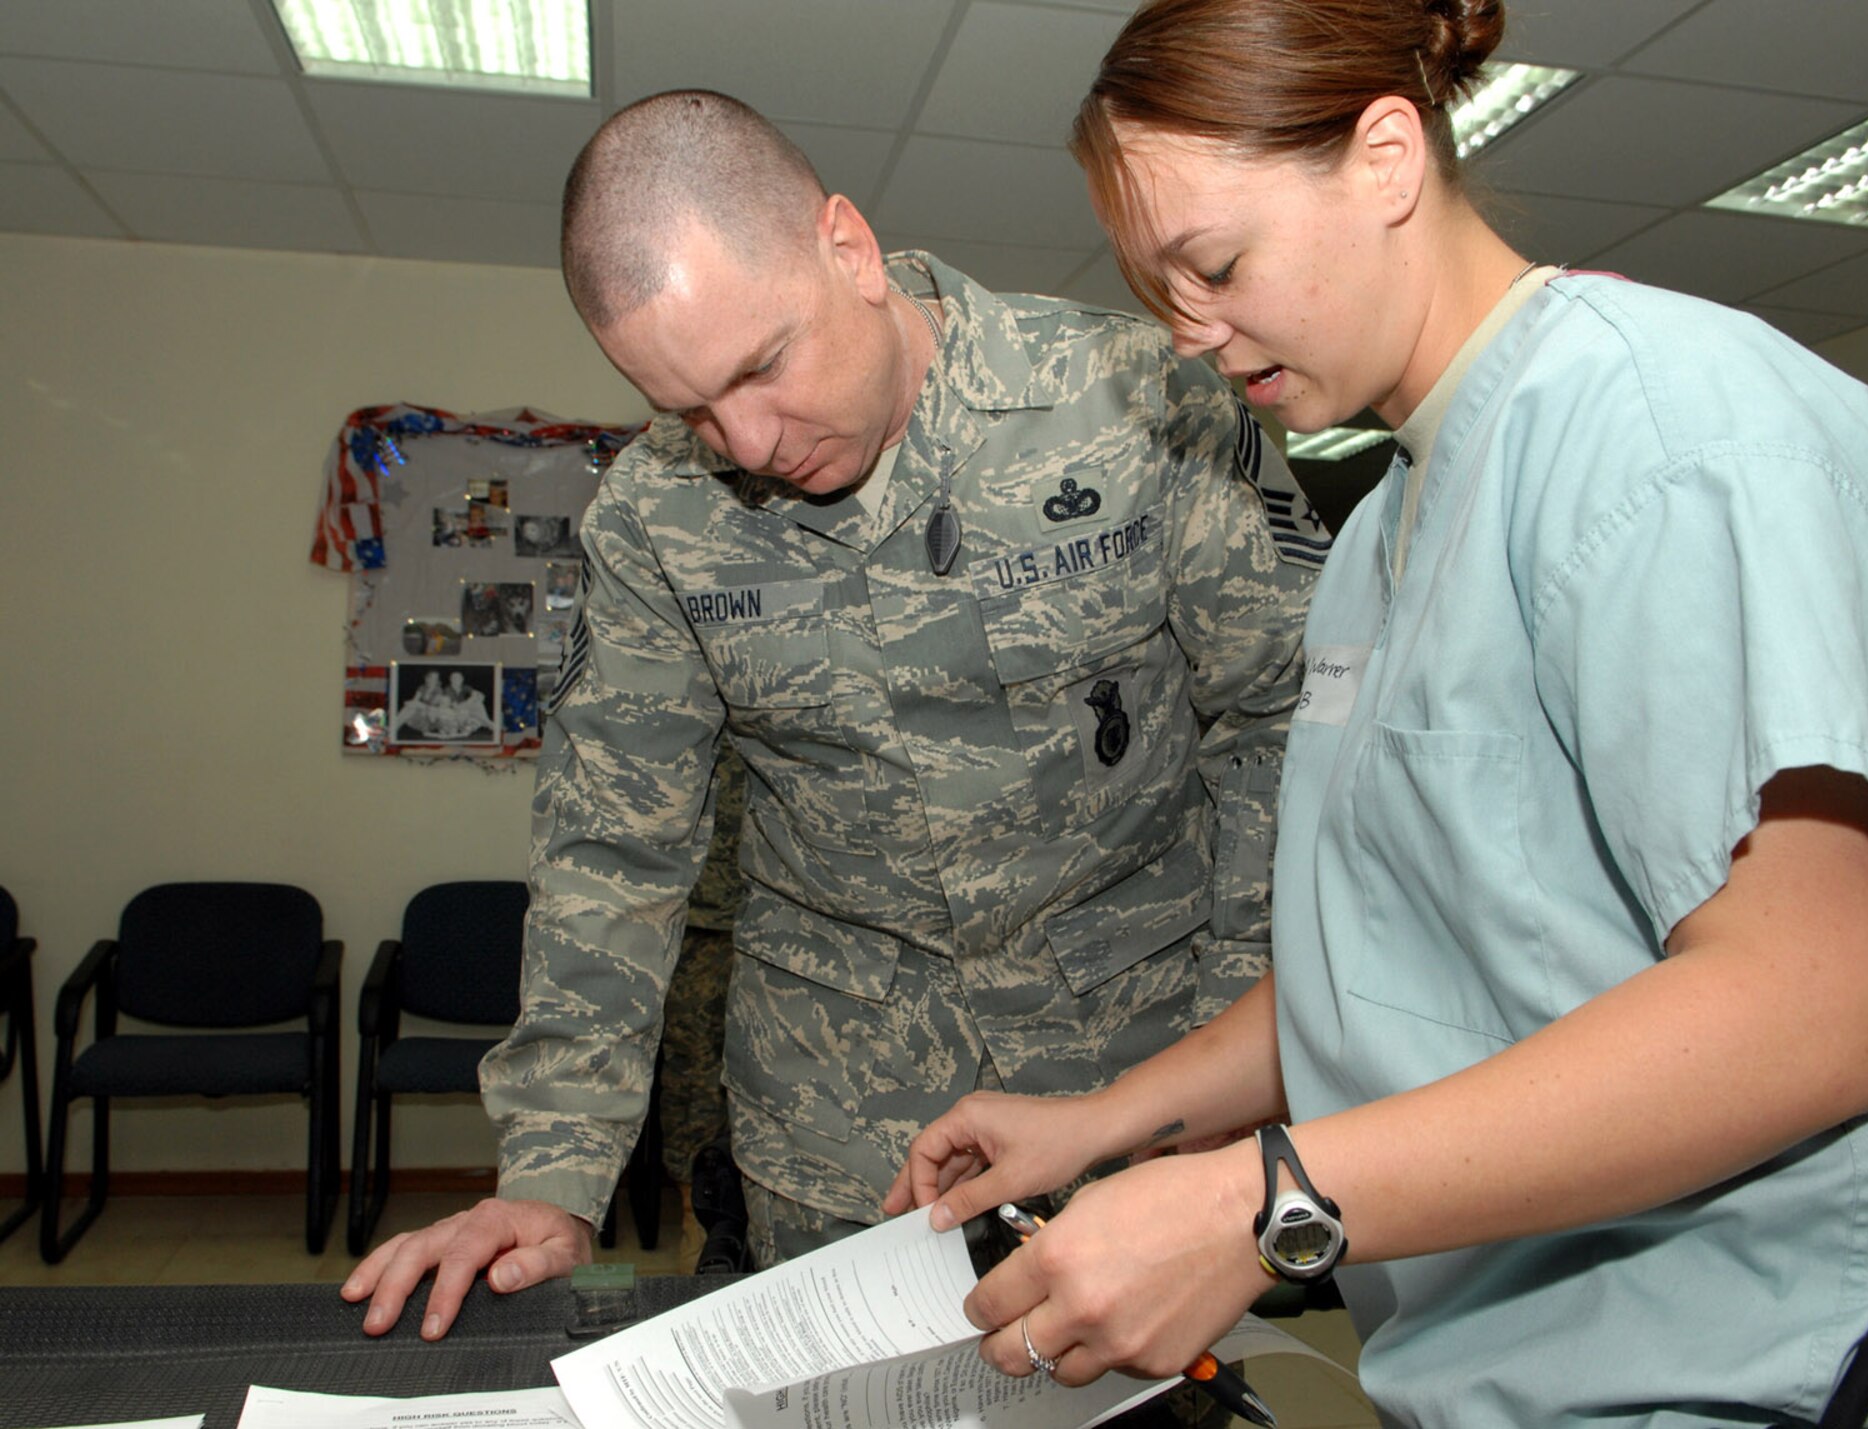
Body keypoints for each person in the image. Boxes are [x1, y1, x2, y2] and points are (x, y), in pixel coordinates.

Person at [887, 2, 1868, 1425]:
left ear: (1387, 157)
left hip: (1767, 1366)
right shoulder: (1379, 534)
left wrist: (1261, 1203)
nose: (1188, 334)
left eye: (1214, 267)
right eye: (1157, 290)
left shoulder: (1672, 434)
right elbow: (1400, 955)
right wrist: (1103, 1122)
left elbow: (1821, 1007)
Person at [343, 87, 1320, 1340]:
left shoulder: (1135, 400)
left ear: (848, 249)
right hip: (838, 1113)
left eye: (760, 367)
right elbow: (612, 845)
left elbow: (1279, 727)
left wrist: (1238, 1057)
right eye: (692, 409)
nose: (746, 441)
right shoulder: (654, 518)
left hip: (1135, 1074)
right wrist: (553, 1169)